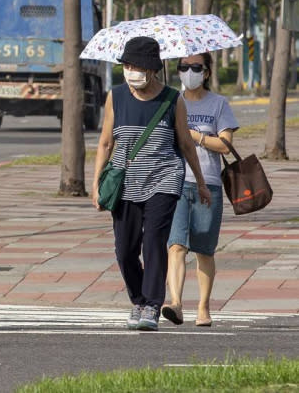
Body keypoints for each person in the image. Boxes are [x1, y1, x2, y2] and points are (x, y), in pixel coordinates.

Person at [91, 36, 211, 331]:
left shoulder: (172, 99)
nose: (131, 71)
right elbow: (106, 143)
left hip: (164, 179)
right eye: (127, 65)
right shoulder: (116, 97)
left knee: (153, 243)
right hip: (125, 182)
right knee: (125, 250)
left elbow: (185, 143)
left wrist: (200, 181)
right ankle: (139, 300)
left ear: (152, 69)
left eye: (136, 66)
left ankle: (153, 306)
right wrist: (95, 184)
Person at [163, 52, 238, 327]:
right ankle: (176, 303)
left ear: (206, 72)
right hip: (176, 182)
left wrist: (194, 136)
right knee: (176, 246)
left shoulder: (219, 104)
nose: (188, 71)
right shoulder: (171, 101)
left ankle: (204, 307)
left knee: (205, 250)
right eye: (183, 66)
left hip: (209, 183)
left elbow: (225, 144)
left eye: (195, 67)